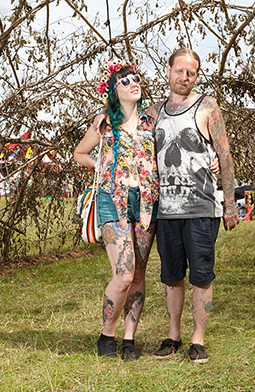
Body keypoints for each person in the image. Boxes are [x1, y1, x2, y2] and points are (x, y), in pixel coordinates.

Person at [148, 48, 238, 364]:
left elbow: (224, 155)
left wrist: (230, 203)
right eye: (180, 70)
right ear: (168, 69)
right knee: (172, 275)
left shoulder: (208, 106)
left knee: (201, 274)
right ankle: (173, 335)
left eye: (192, 73)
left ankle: (198, 339)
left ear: (196, 76)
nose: (185, 77)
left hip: (202, 207)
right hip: (166, 209)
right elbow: (130, 137)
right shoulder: (154, 111)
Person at [73, 60, 159, 361]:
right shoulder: (104, 122)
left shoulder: (152, 122)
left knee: (138, 274)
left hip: (147, 202)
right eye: (125, 81)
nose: (133, 83)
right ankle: (106, 333)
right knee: (123, 274)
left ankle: (129, 339)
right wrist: (103, 168)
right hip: (113, 199)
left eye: (136, 78)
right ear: (113, 89)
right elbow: (79, 153)